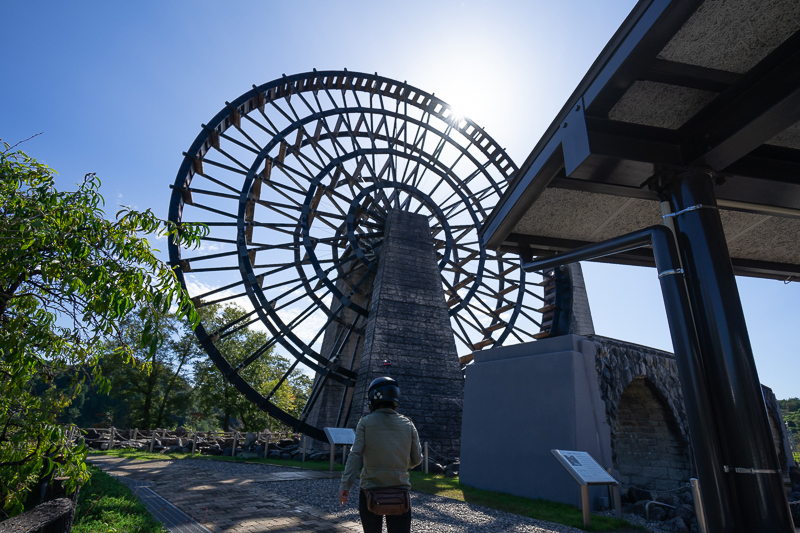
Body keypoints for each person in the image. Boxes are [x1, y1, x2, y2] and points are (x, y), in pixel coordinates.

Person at [338, 376, 422, 533]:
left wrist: (345, 486)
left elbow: (355, 455)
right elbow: (417, 459)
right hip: (400, 492)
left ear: (372, 398)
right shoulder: (408, 423)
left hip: (370, 491)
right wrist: (400, 466)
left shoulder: (365, 422)